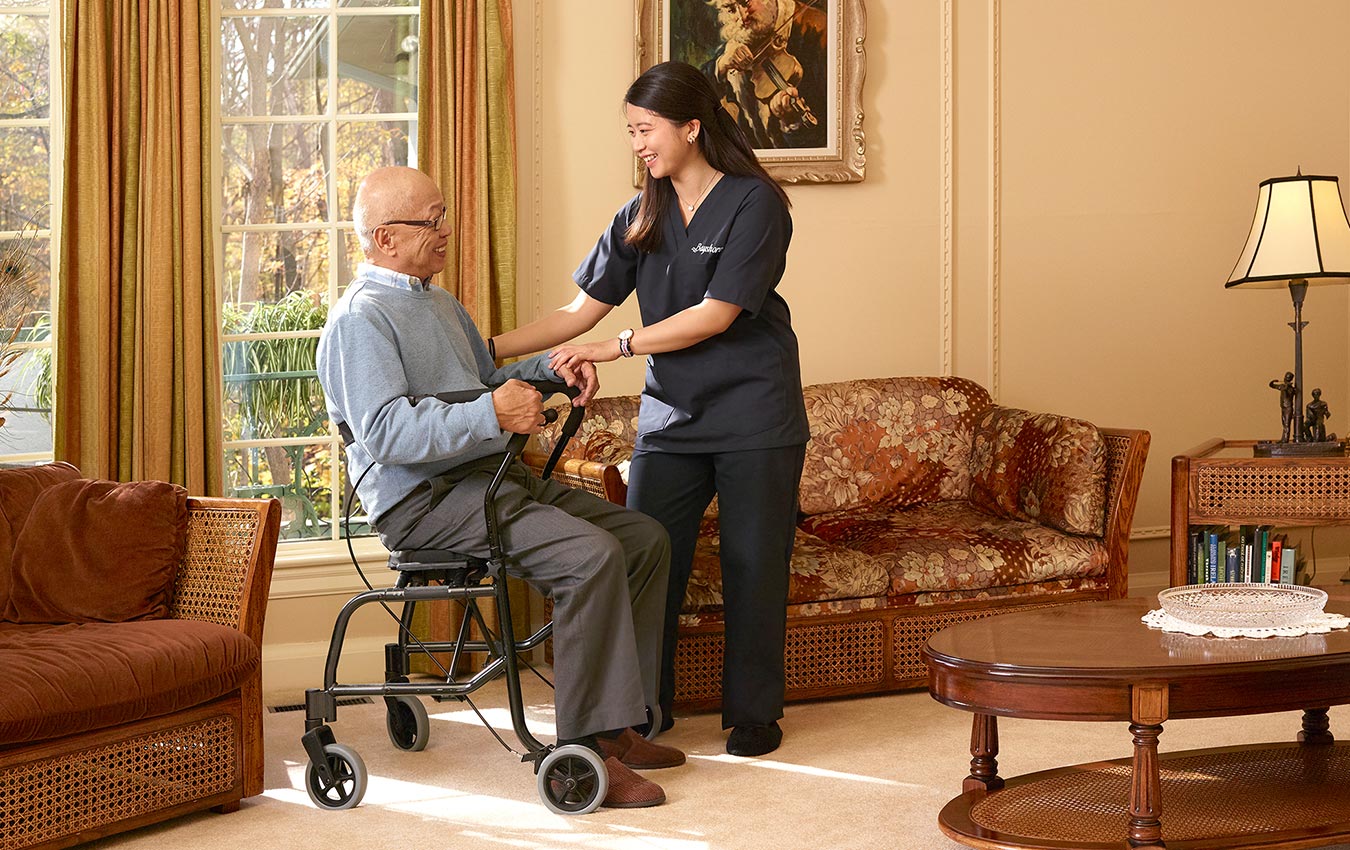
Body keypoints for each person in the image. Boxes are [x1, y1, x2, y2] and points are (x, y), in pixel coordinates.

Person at [316, 166, 683, 809]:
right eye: (431, 220)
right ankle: (585, 751)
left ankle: (619, 721)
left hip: (491, 480)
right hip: (422, 502)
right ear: (385, 238)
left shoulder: (438, 302)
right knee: (588, 556)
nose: (446, 229)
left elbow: (488, 381)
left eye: (443, 214)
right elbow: (386, 434)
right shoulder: (360, 320)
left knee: (643, 538)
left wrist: (550, 371)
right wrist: (491, 414)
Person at [490, 62, 809, 757]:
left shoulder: (756, 203)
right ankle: (641, 707)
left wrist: (621, 345)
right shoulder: (640, 216)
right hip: (673, 419)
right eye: (631, 131)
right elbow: (577, 312)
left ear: (691, 126)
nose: (637, 143)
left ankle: (754, 712)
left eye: (646, 128)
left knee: (755, 563)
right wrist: (482, 349)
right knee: (647, 556)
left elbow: (717, 314)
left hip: (756, 411)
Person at [702, 0, 828, 149]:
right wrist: (721, 65)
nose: (742, 17)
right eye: (730, 9)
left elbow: (826, 141)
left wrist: (792, 124)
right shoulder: (740, 37)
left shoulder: (820, 31)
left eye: (745, 3)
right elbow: (694, 99)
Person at [1269, 371, 1296, 442]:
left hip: (1288, 408)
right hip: (1283, 407)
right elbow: (1272, 385)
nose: (1285, 379)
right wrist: (1273, 381)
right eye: (1285, 377)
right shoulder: (1282, 386)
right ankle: (1283, 439)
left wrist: (1287, 386)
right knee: (1284, 423)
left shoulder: (1291, 389)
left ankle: (1285, 440)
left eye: (1287, 378)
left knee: (1287, 424)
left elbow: (1287, 393)